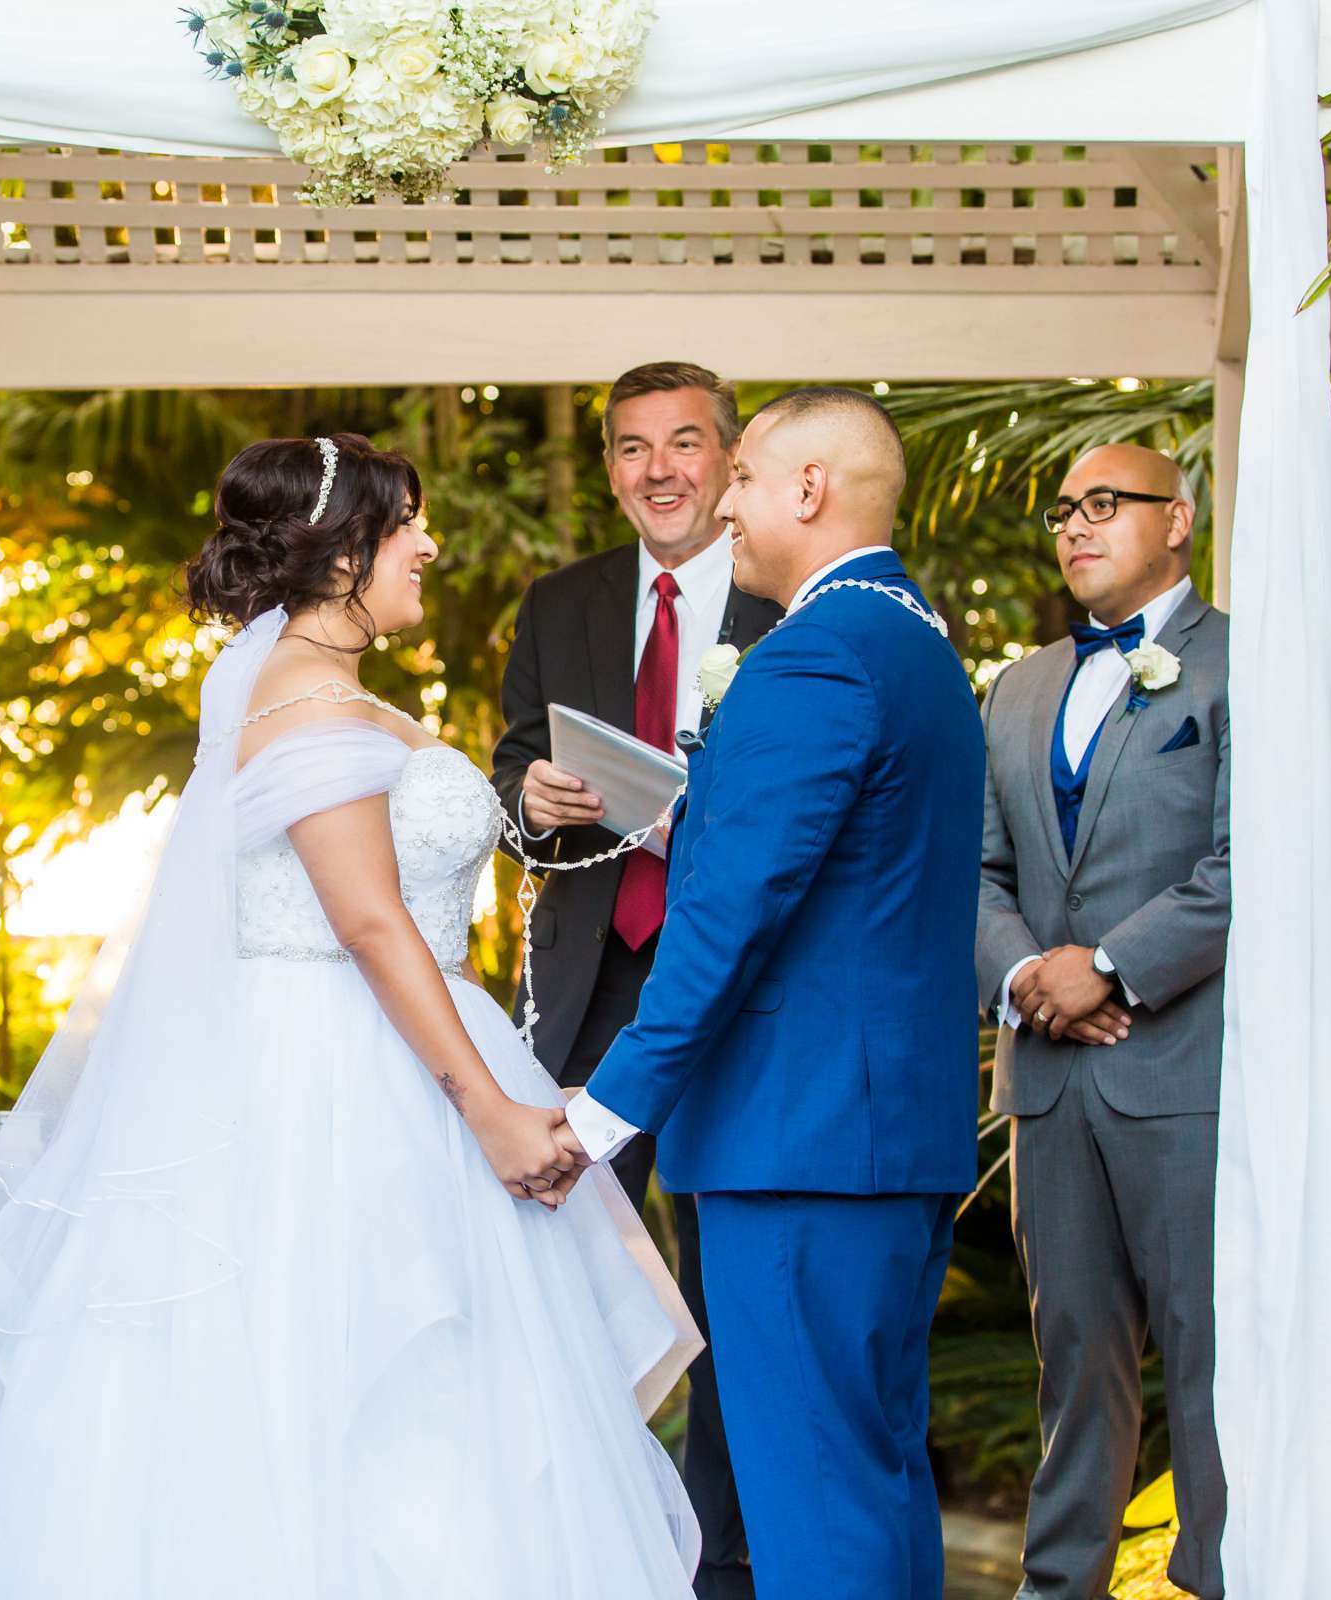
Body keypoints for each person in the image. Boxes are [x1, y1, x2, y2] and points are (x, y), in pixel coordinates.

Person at [0, 433, 700, 1598]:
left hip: (391, 1052)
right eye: (407, 522)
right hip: (342, 1082)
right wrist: (493, 1112)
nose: (430, 544)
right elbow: (369, 923)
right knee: (343, 1382)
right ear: (342, 551)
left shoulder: (333, 690)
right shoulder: (308, 705)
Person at [564, 388, 985, 1600]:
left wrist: (607, 1110)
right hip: (871, 1140)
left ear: (808, 490)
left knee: (811, 1495)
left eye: (742, 478)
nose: (726, 506)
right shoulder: (911, 638)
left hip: (796, 1148)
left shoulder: (818, 656)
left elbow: (728, 916)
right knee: (875, 1472)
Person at [491, 360, 779, 1598]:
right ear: (608, 467)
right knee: (559, 1264)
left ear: (729, 462)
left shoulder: (788, 605)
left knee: (728, 1278)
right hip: (595, 984)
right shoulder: (561, 602)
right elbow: (509, 758)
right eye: (630, 448)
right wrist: (527, 795)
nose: (657, 469)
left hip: (743, 991)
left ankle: (723, 1555)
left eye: (683, 443)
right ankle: (571, 1539)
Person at [975, 443, 1230, 1600]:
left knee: (1208, 1350)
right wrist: (1032, 974)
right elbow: (975, 869)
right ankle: (1061, 1585)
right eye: (1063, 509)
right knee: (1073, 1357)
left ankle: (1222, 1576)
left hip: (1180, 1066)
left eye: (1104, 505)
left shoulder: (1238, 664)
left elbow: (1252, 861)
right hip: (1050, 1075)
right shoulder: (1016, 687)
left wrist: (1114, 968)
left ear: (1176, 520)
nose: (1075, 526)